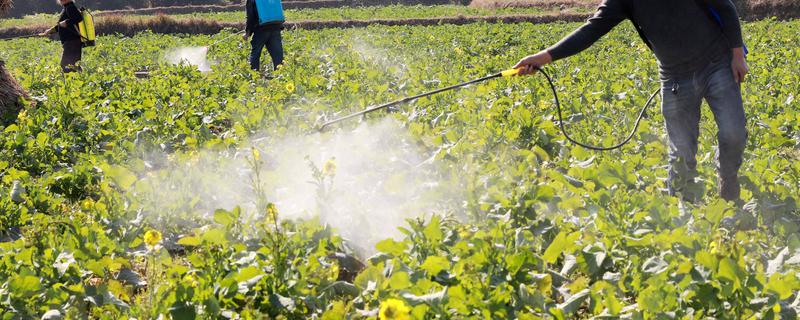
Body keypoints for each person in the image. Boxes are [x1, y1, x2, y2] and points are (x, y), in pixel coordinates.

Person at [514, 0, 749, 202]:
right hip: (675, 76)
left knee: (734, 133)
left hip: (717, 63)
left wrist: (737, 56)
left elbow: (724, 7)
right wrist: (543, 57)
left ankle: (728, 178)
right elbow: (592, 29)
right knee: (681, 154)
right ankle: (684, 216)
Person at [40, 0, 84, 73]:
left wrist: (66, 22)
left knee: (66, 65)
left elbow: (78, 18)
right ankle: (79, 76)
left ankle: (77, 78)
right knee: (72, 65)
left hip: (72, 41)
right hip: (71, 42)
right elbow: (60, 25)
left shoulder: (70, 7)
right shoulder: (67, 7)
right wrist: (50, 31)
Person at [244, 0, 285, 72]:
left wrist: (247, 33)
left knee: (255, 54)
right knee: (278, 56)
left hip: (261, 29)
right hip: (275, 26)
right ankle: (280, 75)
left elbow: (250, 17)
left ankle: (254, 74)